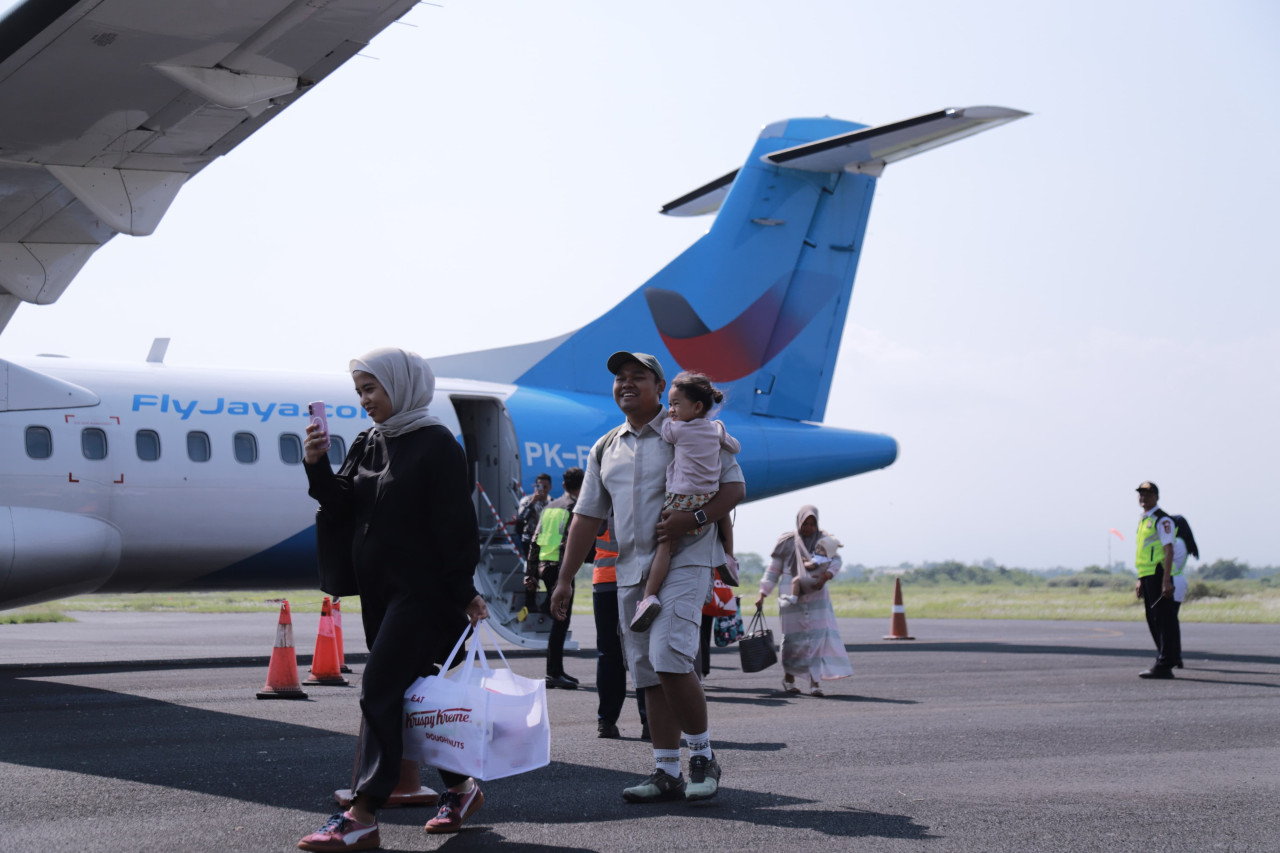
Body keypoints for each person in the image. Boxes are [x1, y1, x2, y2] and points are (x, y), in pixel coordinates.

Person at [297, 348, 490, 851]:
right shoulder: (370, 441)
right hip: (380, 593)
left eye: (372, 389)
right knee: (413, 697)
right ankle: (462, 788)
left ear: (401, 386)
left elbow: (455, 525)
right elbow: (340, 502)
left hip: (422, 594)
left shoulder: (437, 445)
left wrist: (464, 590)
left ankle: (361, 814)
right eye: (359, 390)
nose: (364, 400)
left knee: (378, 689)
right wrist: (316, 465)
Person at [551, 351, 744, 804]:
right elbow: (585, 517)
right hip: (631, 569)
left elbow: (734, 489)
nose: (626, 384)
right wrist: (564, 579)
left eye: (638, 376)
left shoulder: (691, 429)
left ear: (661, 388)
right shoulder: (606, 447)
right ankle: (666, 771)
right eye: (619, 377)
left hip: (685, 561)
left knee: (670, 657)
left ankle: (702, 756)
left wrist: (693, 516)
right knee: (648, 674)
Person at [630, 371, 740, 632]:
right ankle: (730, 558)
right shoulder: (716, 429)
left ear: (698, 406)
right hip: (708, 495)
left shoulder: (677, 430)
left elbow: (665, 433)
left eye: (675, 404)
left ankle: (649, 597)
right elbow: (734, 447)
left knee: (666, 546)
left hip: (681, 497)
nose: (671, 410)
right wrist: (720, 435)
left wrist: (667, 418)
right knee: (722, 514)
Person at [755, 506, 853, 697]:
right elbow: (773, 570)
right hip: (790, 594)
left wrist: (825, 576)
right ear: (798, 522)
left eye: (812, 524)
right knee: (792, 639)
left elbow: (836, 562)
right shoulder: (787, 541)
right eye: (805, 524)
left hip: (817, 594)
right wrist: (763, 593)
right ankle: (789, 678)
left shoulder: (825, 541)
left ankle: (815, 683)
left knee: (817, 638)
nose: (808, 528)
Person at [593, 513, 649, 739]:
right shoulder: (640, 494)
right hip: (636, 578)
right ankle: (650, 722)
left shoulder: (601, 497)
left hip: (605, 579)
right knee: (642, 650)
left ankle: (606, 721)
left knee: (608, 653)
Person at [530, 467, 584, 689]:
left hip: (545, 565)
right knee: (561, 620)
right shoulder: (574, 507)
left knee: (559, 620)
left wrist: (530, 572)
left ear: (562, 485)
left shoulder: (550, 506)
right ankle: (553, 673)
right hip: (561, 569)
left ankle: (557, 669)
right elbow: (569, 542)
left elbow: (535, 539)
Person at [1133, 481, 1182, 679]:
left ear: (1156, 497)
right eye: (1141, 495)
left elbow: (1168, 550)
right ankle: (1165, 658)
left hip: (1158, 574)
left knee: (1163, 620)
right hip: (1147, 575)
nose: (1143, 498)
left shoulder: (1162, 520)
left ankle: (1165, 663)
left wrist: (1166, 580)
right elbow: (1143, 552)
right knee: (1153, 619)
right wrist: (1139, 578)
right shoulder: (1145, 519)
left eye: (1148, 494)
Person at [515, 473, 552, 617]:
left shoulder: (552, 503)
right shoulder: (526, 501)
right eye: (539, 486)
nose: (541, 489)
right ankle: (530, 604)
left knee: (548, 571)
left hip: (547, 541)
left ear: (550, 487)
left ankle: (548, 603)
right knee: (532, 571)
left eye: (545, 486)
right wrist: (532, 502)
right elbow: (520, 520)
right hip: (530, 539)